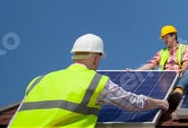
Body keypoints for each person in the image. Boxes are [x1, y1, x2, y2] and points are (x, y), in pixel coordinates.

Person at [9, 33, 169, 128]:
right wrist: (159, 103)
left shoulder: (38, 81)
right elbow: (134, 103)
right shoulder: (95, 82)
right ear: (95, 58)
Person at [134, 24, 188, 113]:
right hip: (165, 80)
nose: (164, 40)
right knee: (160, 78)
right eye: (163, 38)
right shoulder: (161, 52)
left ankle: (178, 92)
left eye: (166, 37)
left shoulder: (185, 48)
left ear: (173, 36)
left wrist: (183, 69)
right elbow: (151, 65)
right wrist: (135, 71)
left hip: (180, 77)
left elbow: (186, 60)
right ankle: (169, 93)